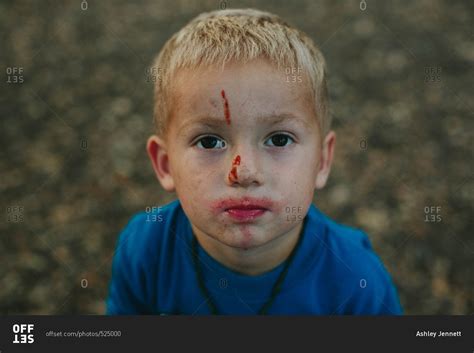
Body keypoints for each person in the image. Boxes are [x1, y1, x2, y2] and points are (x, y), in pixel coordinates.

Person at [106, 8, 402, 315]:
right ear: (165, 165)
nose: (244, 172)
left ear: (322, 160)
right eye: (209, 142)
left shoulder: (356, 280)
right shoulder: (144, 251)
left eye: (279, 139)